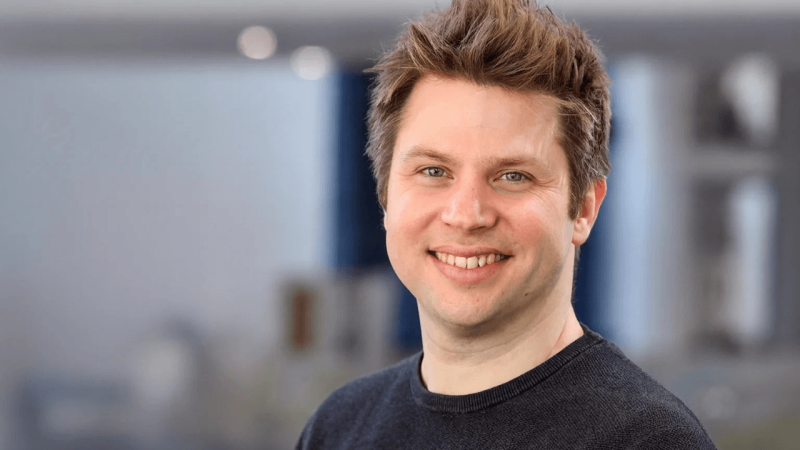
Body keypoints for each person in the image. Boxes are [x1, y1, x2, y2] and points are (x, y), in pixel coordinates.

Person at [296, 0, 716, 448]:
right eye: (433, 171)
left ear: (584, 209)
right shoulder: (339, 428)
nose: (466, 215)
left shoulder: (646, 440)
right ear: (385, 196)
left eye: (513, 176)